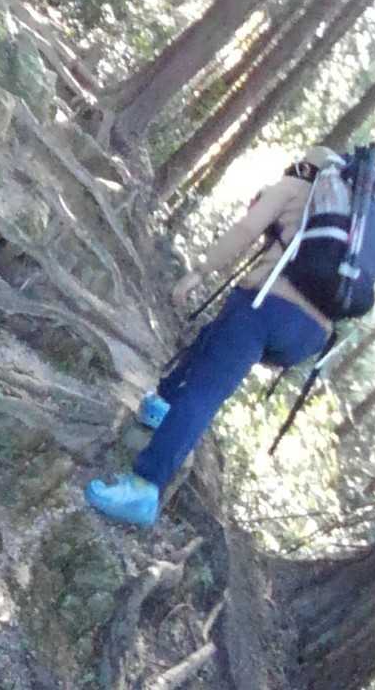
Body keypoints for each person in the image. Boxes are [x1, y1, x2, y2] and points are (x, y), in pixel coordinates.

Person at [85, 146, 340, 527]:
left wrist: (199, 273)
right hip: (312, 337)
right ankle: (163, 403)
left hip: (266, 308)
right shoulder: (344, 223)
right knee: (215, 343)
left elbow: (245, 230)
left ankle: (143, 487)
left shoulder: (293, 188)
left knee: (205, 391)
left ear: (305, 165)